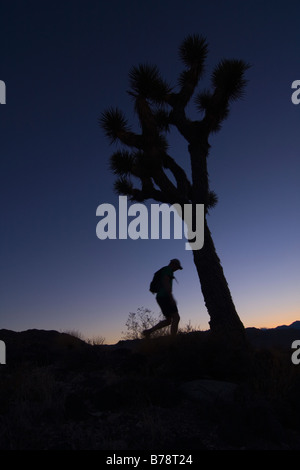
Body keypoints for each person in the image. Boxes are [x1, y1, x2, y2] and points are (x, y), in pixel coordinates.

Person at [143, 258, 183, 338]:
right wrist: (171, 297)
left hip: (160, 297)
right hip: (165, 297)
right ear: (173, 264)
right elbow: (166, 282)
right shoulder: (168, 269)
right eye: (177, 267)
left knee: (168, 320)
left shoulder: (165, 270)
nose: (177, 269)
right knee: (176, 317)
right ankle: (173, 340)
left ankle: (148, 332)